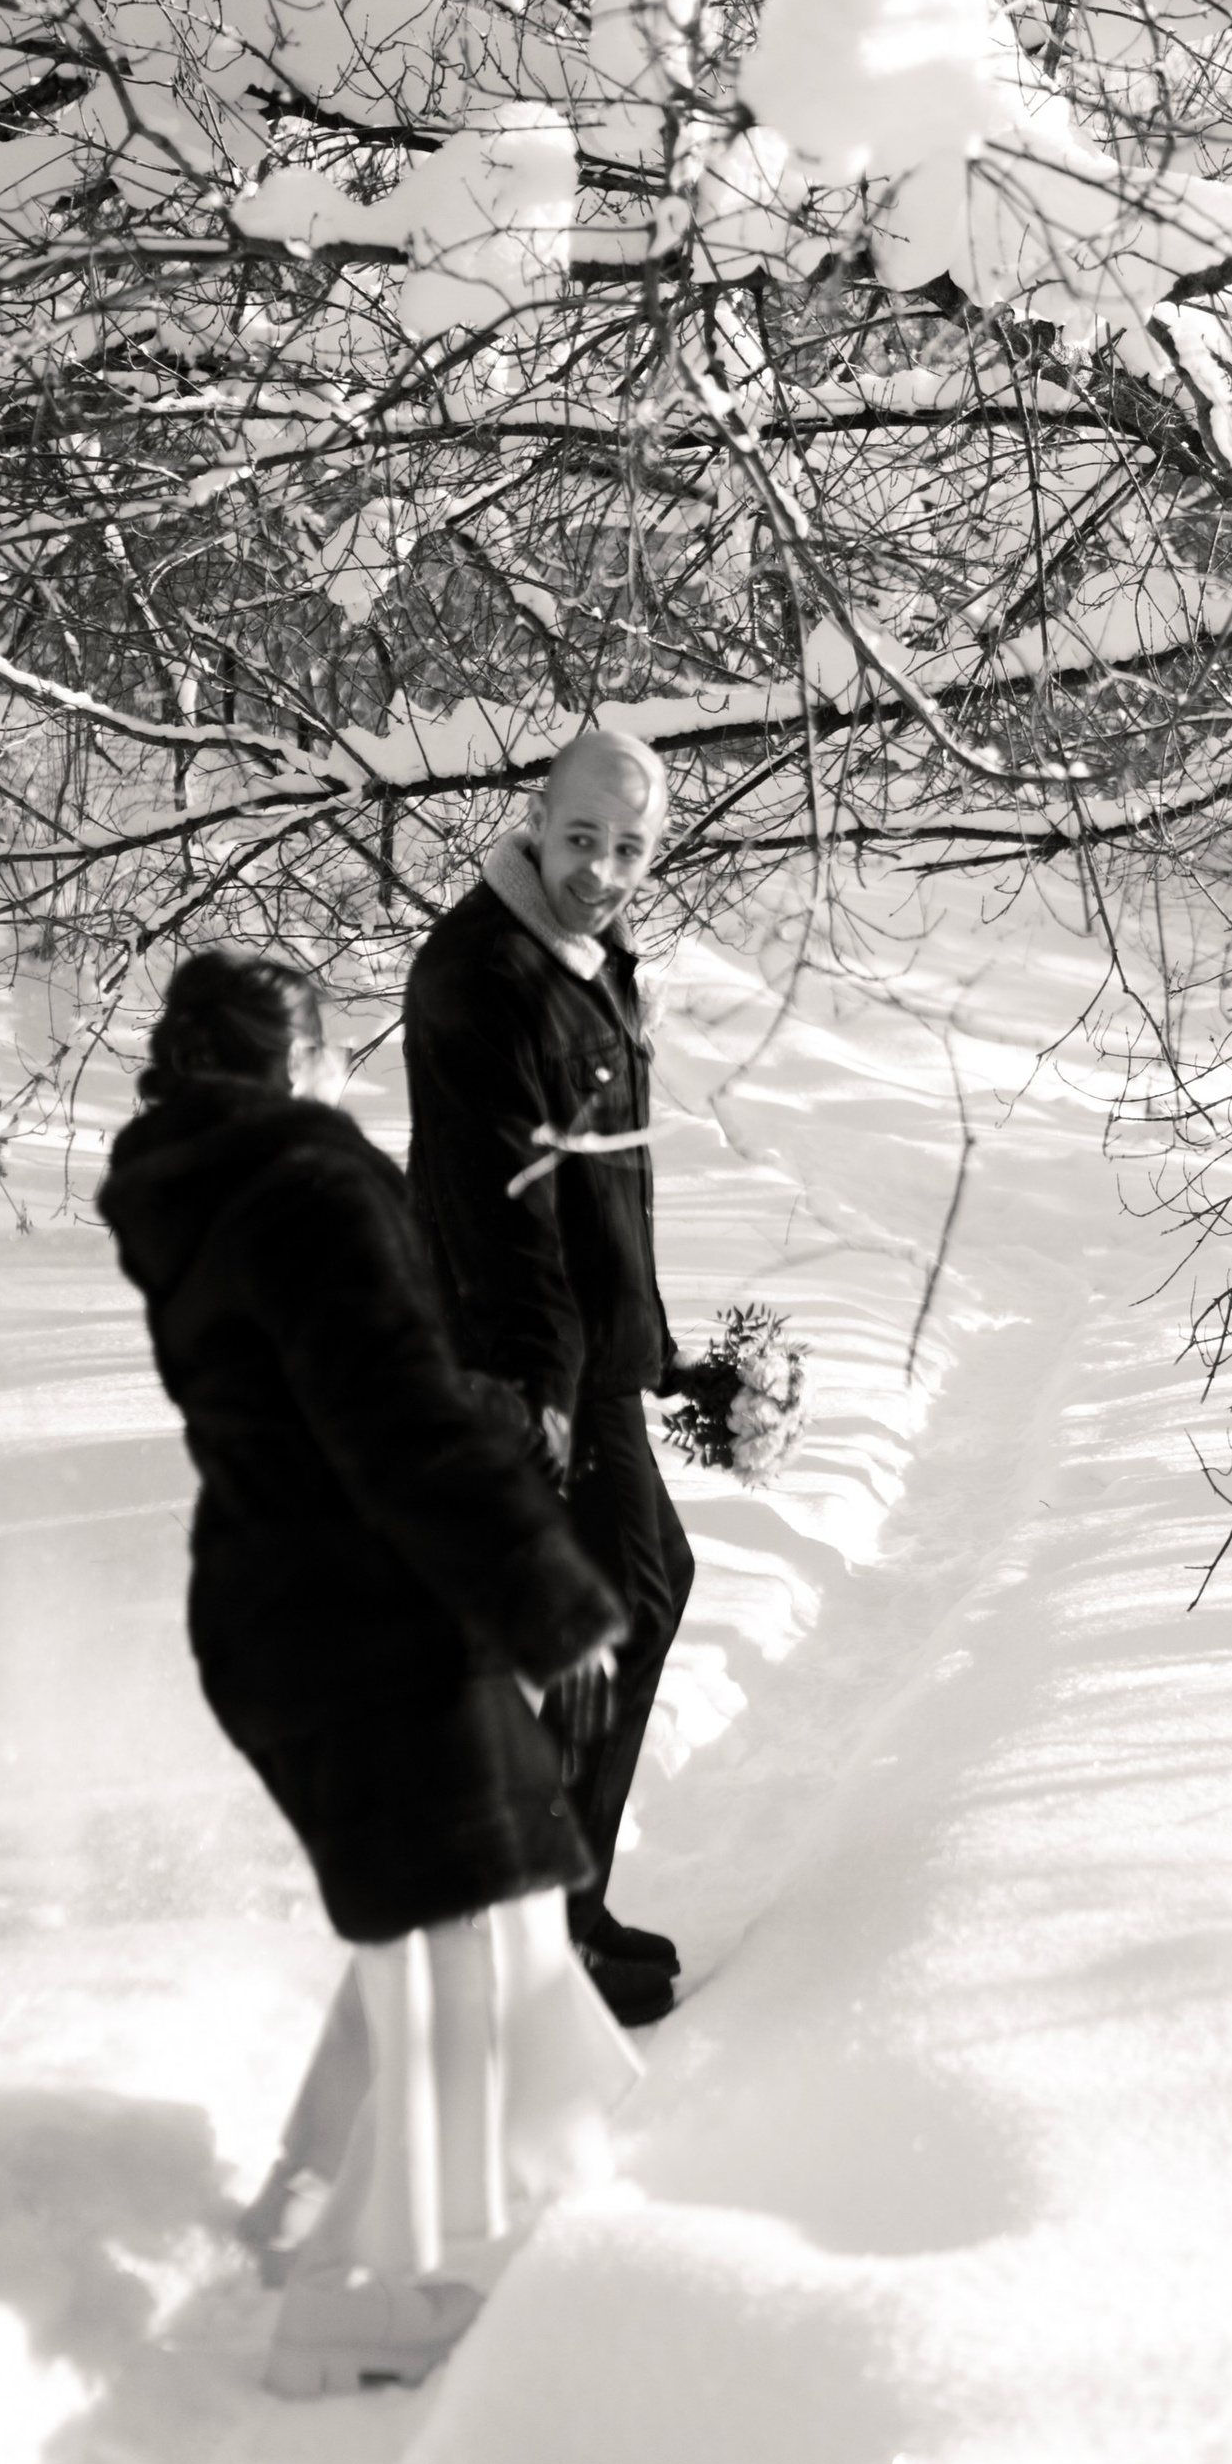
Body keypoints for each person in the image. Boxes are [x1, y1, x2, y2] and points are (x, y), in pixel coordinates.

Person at [97, 946, 636, 2395]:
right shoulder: (309, 1186)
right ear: (311, 1061)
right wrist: (547, 1597)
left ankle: (297, 2206)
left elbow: (318, 1390)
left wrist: (474, 1413)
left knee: (452, 1908)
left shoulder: (201, 1184)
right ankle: (372, 2293)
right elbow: (382, 1415)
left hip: (287, 1608)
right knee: (468, 1924)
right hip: (362, 1613)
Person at [403, 728, 727, 2030]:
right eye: (583, 839)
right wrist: (542, 1392)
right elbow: (506, 1210)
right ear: (537, 819)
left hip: (582, 1351)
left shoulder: (585, 965)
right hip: (516, 1349)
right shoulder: (484, 977)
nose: (603, 869)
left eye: (631, 848)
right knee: (610, 1608)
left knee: (653, 1588)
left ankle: (557, 1905)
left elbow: (603, 1196)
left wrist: (664, 1357)